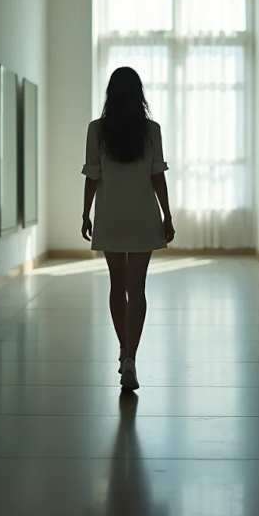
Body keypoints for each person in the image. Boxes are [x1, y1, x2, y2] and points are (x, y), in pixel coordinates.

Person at [81, 66, 175, 391]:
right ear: (139, 96)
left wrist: (85, 214)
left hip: (110, 216)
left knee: (116, 287)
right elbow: (156, 176)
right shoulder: (151, 131)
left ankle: (123, 353)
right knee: (138, 291)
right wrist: (167, 215)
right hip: (143, 217)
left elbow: (93, 176)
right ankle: (132, 358)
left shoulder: (97, 130)